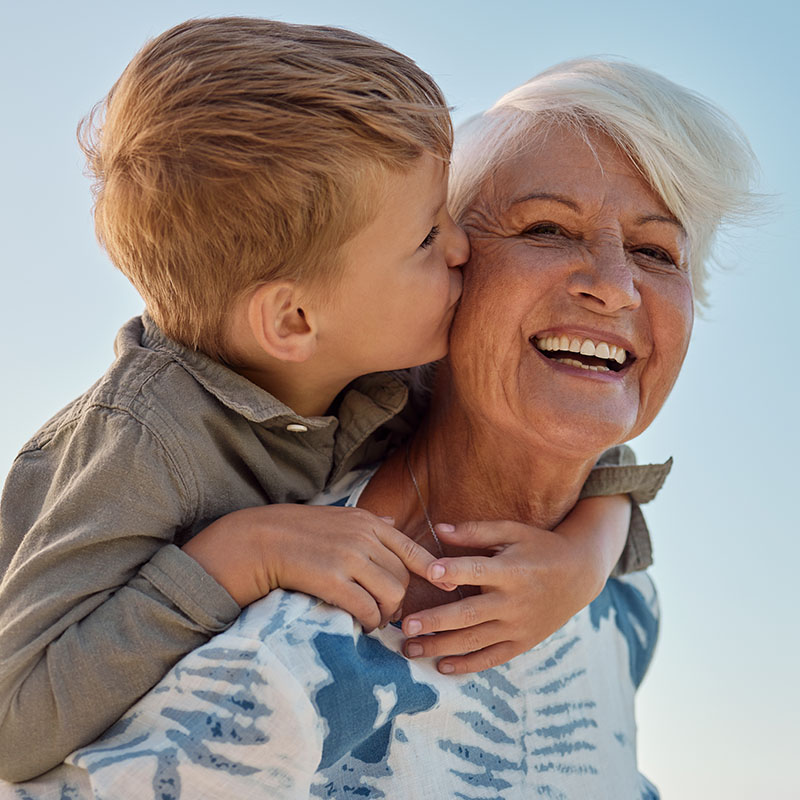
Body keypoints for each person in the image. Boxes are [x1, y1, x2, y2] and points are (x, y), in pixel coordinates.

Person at [1, 57, 757, 800]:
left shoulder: (623, 607)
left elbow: (575, 427)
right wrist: (236, 556)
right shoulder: (170, 479)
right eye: (547, 229)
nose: (615, 287)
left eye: (658, 252)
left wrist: (586, 558)